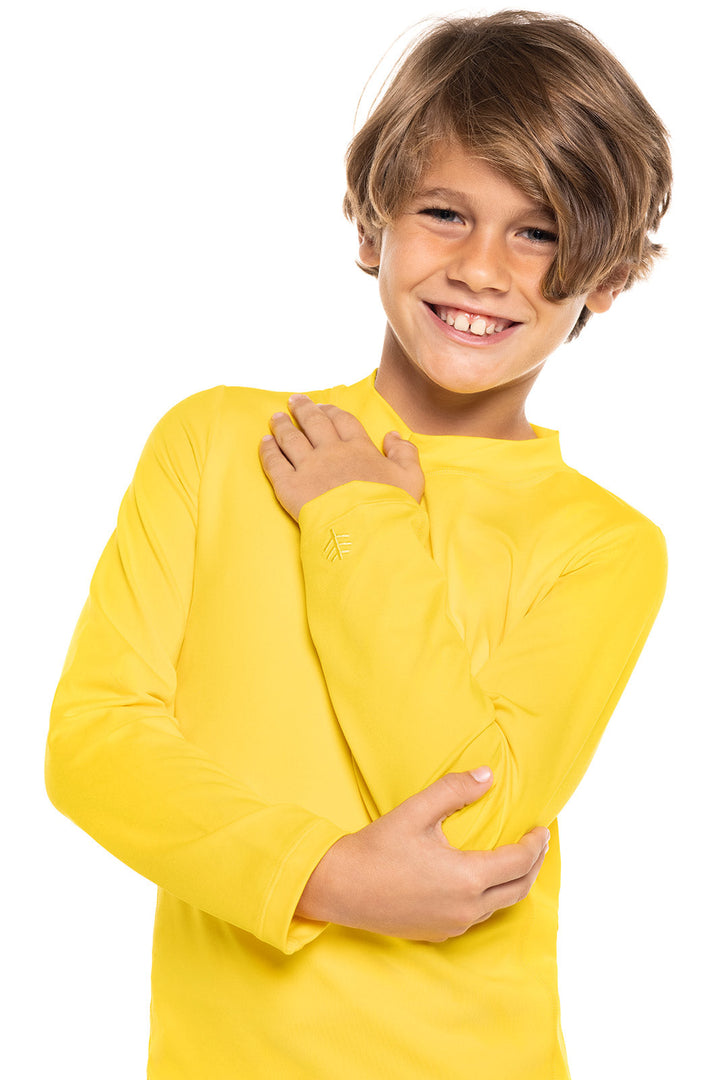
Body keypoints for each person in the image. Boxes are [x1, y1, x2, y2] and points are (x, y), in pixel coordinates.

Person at [45, 11, 672, 1079]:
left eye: (537, 232)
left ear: (606, 276)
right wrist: (324, 876)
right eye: (445, 213)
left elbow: (472, 824)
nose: (482, 268)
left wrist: (353, 520)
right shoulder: (220, 442)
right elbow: (93, 743)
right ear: (373, 221)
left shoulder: (603, 545)